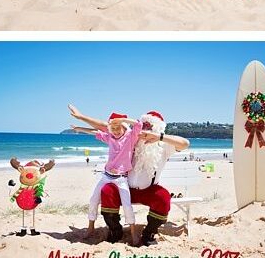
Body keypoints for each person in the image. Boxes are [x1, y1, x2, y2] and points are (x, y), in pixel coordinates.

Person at [68, 104, 190, 245]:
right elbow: (105, 126)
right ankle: (115, 230)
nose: (146, 129)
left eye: (150, 126)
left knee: (162, 197)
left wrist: (158, 137)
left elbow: (185, 143)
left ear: (158, 129)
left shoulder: (164, 146)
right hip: (124, 185)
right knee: (107, 191)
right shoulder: (133, 137)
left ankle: (149, 232)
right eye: (144, 125)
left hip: (148, 190)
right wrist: (81, 117)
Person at [70, 113, 145, 243]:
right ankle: (90, 227)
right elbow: (95, 132)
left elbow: (139, 124)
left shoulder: (130, 137)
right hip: (106, 176)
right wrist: (79, 129)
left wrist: (122, 119)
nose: (116, 131)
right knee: (93, 200)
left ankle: (133, 232)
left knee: (127, 206)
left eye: (118, 128)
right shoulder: (109, 137)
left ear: (124, 127)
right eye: (113, 129)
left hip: (121, 178)